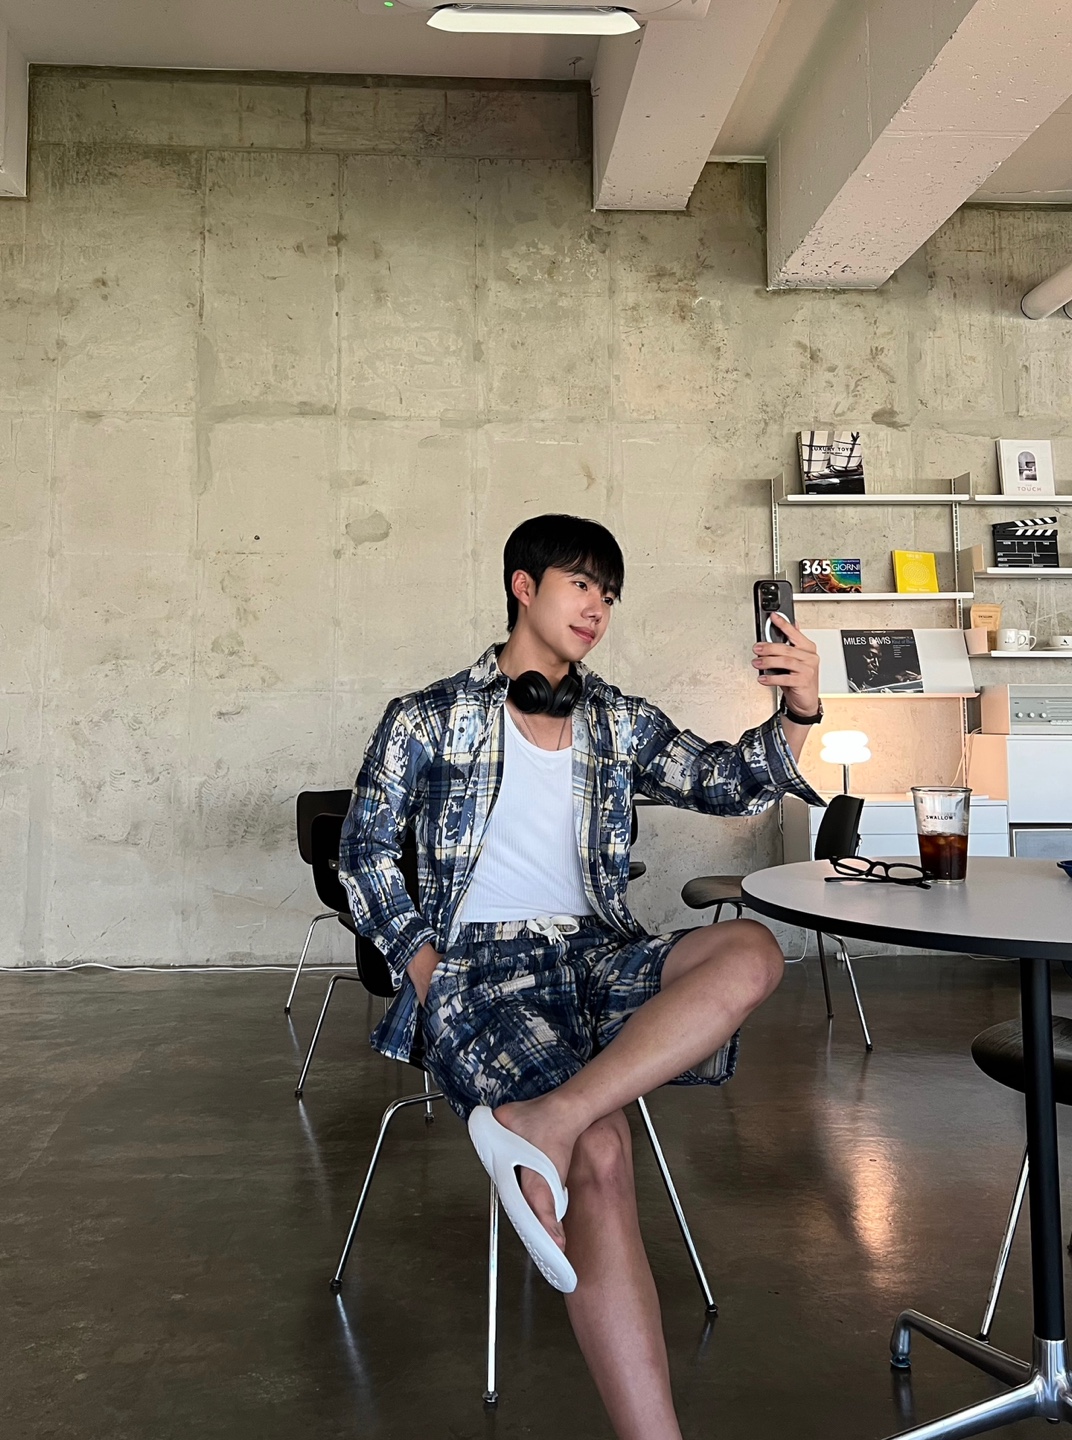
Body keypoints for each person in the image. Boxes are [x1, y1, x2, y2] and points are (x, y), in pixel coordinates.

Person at [339, 513, 824, 1440]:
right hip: (479, 972)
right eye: (581, 584)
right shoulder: (426, 717)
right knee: (603, 1152)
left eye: (609, 593)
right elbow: (363, 855)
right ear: (523, 586)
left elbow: (727, 782)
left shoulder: (617, 720)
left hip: (594, 954)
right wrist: (427, 970)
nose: (598, 607)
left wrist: (799, 710)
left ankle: (545, 1121)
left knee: (753, 949)